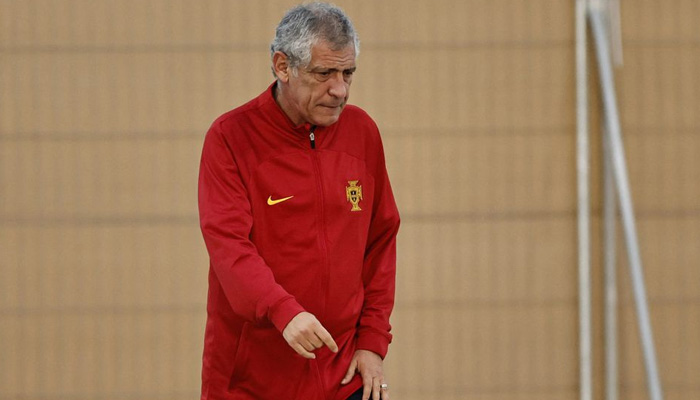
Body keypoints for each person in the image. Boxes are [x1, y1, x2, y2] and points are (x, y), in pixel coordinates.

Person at [197, 3, 399, 400]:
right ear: (282, 66)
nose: (339, 89)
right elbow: (229, 246)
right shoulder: (230, 138)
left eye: (348, 73)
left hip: (344, 378)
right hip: (251, 382)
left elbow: (380, 242)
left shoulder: (362, 133)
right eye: (324, 73)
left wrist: (373, 343)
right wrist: (282, 310)